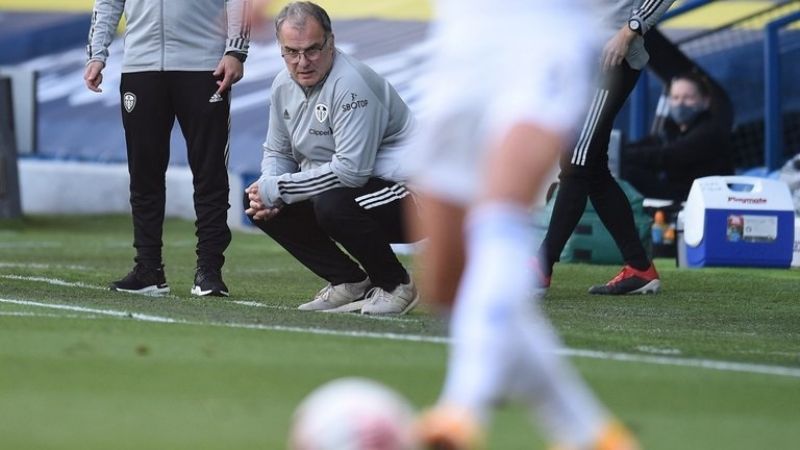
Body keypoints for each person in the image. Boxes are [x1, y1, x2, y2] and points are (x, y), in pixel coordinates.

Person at [410, 1, 641, 449]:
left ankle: (461, 410)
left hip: (548, 31)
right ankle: (591, 434)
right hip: (465, 37)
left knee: (501, 210)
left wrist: (632, 25)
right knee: (446, 285)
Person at [244, 1, 419, 315]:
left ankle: (396, 284)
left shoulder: (352, 84)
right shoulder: (282, 85)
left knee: (331, 202)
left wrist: (279, 189)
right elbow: (278, 151)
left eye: (312, 49)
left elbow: (351, 171)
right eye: (291, 52)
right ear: (280, 48)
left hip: (413, 198)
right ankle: (349, 281)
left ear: (331, 42)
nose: (302, 62)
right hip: (359, 192)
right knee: (259, 203)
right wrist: (268, 186)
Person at [84, 0, 251, 297]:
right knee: (143, 172)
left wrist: (235, 50)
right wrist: (97, 54)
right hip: (141, 66)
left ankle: (209, 271)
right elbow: (109, 1)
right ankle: (148, 269)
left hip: (204, 65)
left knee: (209, 171)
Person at [538, 0, 678, 295]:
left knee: (577, 163)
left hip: (611, 56)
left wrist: (631, 29)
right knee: (592, 168)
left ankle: (540, 267)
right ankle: (639, 267)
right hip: (582, 56)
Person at [621, 72, 734, 202]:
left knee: (630, 173)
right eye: (675, 98)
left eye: (688, 98)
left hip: (700, 199)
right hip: (678, 192)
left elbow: (669, 155)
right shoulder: (672, 129)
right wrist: (616, 150)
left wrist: (623, 155)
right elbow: (650, 144)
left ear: (705, 101)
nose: (680, 104)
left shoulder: (709, 131)